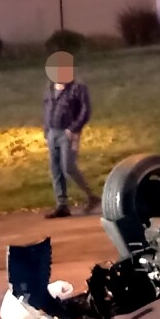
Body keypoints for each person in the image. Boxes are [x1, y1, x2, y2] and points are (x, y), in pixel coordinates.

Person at [42, 50, 95, 218]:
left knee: (68, 167)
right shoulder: (50, 88)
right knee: (55, 169)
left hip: (68, 133)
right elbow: (47, 108)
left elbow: (85, 111)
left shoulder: (78, 88)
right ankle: (62, 205)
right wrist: (46, 129)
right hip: (52, 132)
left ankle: (91, 197)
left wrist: (73, 129)